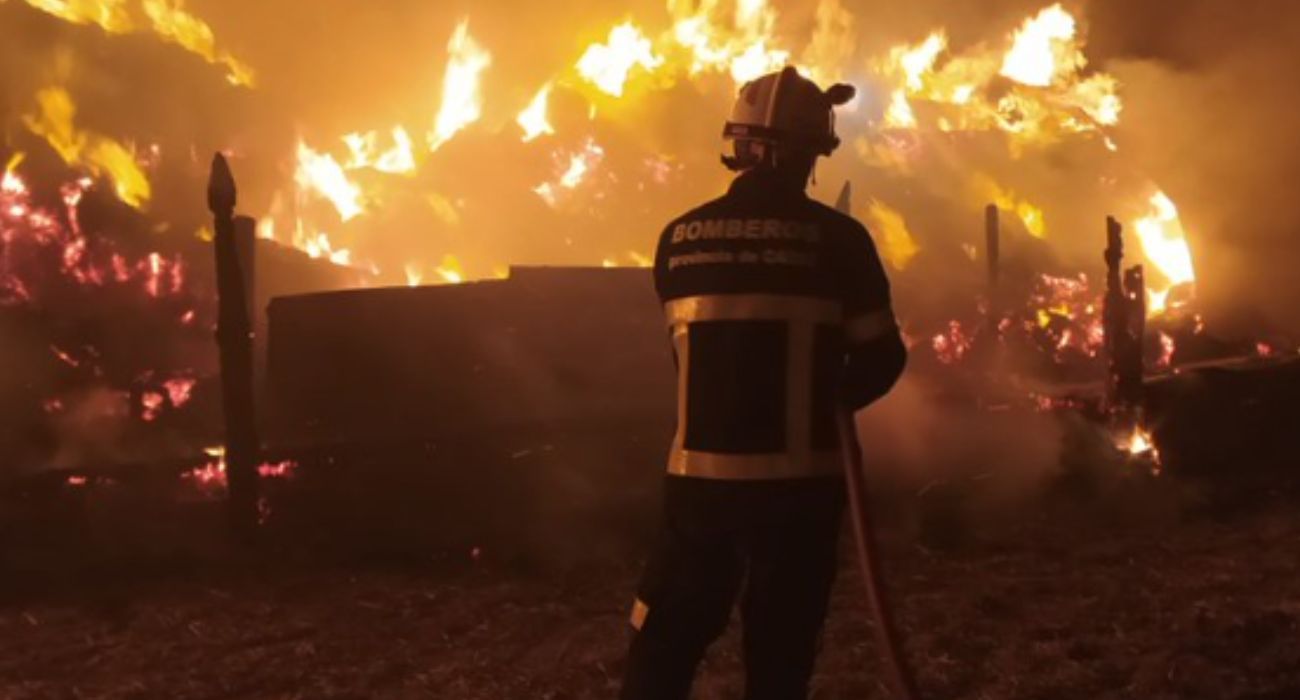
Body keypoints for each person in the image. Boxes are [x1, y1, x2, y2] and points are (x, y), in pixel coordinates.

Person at [620, 66, 908, 700]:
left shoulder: (678, 239)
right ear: (809, 154)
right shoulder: (840, 242)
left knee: (666, 634)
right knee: (782, 642)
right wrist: (828, 398)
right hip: (800, 486)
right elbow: (883, 358)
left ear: (740, 145)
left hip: (698, 484)